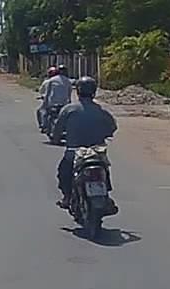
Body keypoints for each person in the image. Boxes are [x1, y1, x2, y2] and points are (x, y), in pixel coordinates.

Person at [49, 75, 116, 208]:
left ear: (78, 91)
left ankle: (67, 198)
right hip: (96, 152)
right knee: (104, 170)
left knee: (64, 173)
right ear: (94, 92)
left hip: (75, 152)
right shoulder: (101, 111)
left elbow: (57, 129)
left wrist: (56, 139)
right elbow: (112, 127)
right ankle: (106, 196)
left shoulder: (69, 109)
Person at [37, 66, 72, 132]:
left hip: (53, 103)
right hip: (64, 103)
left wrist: (45, 102)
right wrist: (69, 103)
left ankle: (44, 126)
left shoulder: (51, 80)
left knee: (45, 113)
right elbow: (69, 93)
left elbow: (47, 93)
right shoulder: (68, 81)